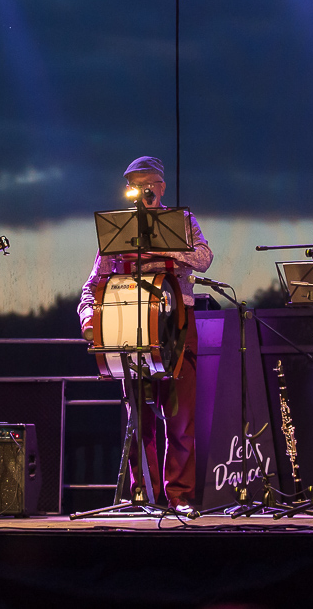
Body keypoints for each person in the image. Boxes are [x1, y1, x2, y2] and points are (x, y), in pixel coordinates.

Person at [78, 156, 213, 512]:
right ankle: (146, 495)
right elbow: (92, 284)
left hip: (177, 323)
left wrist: (162, 248)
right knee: (140, 418)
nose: (142, 191)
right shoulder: (117, 228)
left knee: (181, 416)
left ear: (161, 186)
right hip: (131, 323)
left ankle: (179, 496)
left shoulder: (182, 221)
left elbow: (204, 258)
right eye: (134, 185)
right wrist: (89, 318)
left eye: (148, 184)